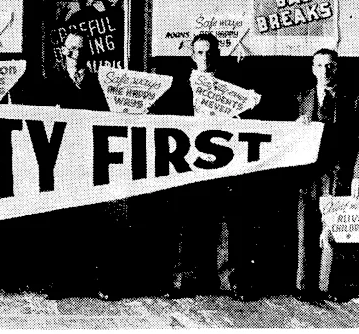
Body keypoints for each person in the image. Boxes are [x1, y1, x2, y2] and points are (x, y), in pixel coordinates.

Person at [148, 33, 250, 300]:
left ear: (216, 54)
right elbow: (161, 115)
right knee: (185, 222)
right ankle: (180, 280)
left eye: (209, 52)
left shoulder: (231, 86)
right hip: (188, 164)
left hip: (222, 163)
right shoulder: (179, 87)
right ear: (192, 56)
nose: (204, 57)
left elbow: (251, 114)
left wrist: (241, 113)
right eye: (199, 53)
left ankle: (230, 281)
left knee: (227, 222)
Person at [40, 32, 127, 301]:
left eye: (81, 48)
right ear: (64, 51)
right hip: (61, 159)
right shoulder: (50, 81)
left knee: (95, 222)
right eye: (72, 48)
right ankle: (60, 281)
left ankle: (99, 282)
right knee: (61, 222)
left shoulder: (99, 83)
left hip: (92, 158)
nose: (77, 52)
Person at [295, 48, 359, 302]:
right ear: (312, 68)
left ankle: (331, 286)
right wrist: (296, 128)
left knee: (335, 227)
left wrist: (358, 175)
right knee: (307, 227)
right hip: (308, 173)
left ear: (337, 68)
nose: (325, 71)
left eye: (330, 66)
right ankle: (304, 286)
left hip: (338, 174)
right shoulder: (300, 98)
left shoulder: (352, 100)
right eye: (320, 66)